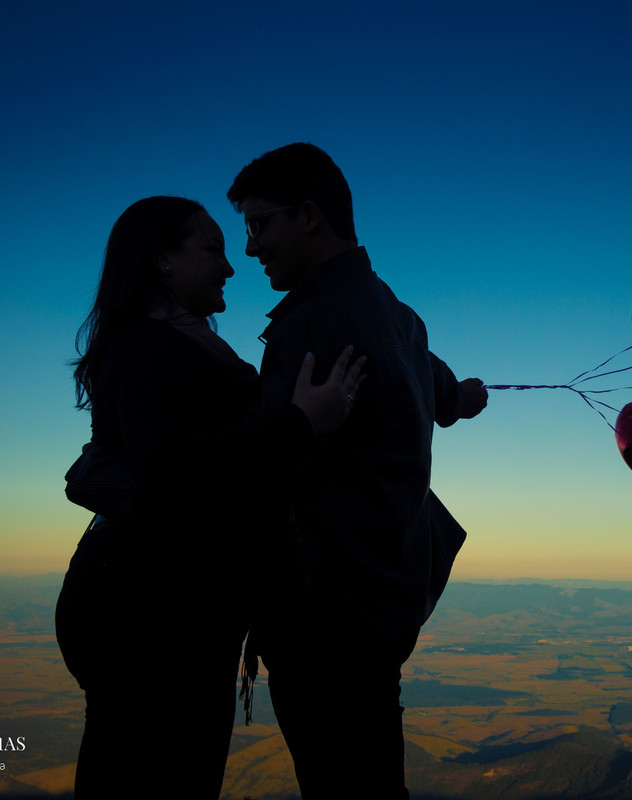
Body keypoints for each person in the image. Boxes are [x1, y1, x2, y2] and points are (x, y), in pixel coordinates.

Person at [55, 196, 364, 799]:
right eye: (213, 250)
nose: (229, 266)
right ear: (161, 260)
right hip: (149, 618)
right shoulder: (152, 348)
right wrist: (303, 423)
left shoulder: (170, 342)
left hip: (154, 606)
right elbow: (170, 473)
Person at [227, 143, 487, 799]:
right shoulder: (396, 315)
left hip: (323, 621)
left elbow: (262, 470)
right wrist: (465, 398)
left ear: (309, 215)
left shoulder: (312, 325)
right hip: (384, 608)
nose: (251, 248)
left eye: (259, 224)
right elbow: (443, 393)